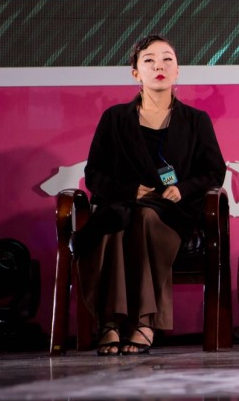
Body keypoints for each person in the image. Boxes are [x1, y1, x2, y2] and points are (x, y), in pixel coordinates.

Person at [74, 35, 226, 355]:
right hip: (123, 203)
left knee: (143, 217)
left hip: (172, 211)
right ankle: (110, 323)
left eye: (167, 59)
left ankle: (144, 322)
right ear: (135, 73)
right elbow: (94, 175)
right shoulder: (115, 119)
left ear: (177, 71)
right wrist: (130, 190)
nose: (160, 66)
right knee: (116, 221)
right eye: (149, 60)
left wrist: (182, 188)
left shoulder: (196, 121)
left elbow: (214, 172)